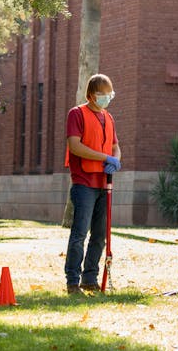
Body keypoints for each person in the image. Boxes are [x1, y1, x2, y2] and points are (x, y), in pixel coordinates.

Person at [64, 73, 121, 295]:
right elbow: (75, 146)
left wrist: (116, 159)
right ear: (91, 95)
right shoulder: (77, 114)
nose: (107, 98)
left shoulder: (109, 117)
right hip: (84, 182)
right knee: (80, 232)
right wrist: (105, 158)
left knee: (100, 234)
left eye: (110, 94)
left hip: (104, 183)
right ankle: (72, 281)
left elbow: (115, 145)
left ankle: (90, 278)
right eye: (102, 94)